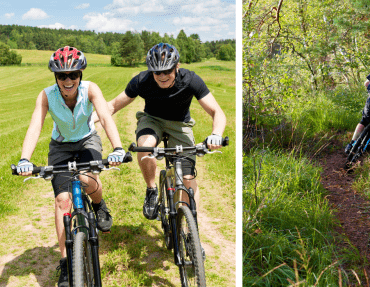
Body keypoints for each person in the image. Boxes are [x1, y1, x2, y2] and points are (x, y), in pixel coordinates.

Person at [15, 46, 127, 287]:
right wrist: (25, 158)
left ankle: (99, 206)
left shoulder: (91, 90)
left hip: (87, 139)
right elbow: (35, 125)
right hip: (60, 146)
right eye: (62, 76)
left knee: (87, 179)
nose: (68, 80)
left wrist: (117, 148)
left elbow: (105, 118)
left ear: (81, 74)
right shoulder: (46, 95)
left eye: (73, 75)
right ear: (55, 77)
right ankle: (66, 264)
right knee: (62, 201)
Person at [105, 43, 226, 220]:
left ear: (177, 66)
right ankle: (152, 189)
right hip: (152, 120)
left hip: (180, 125)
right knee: (145, 147)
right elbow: (112, 106)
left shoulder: (191, 80)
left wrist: (216, 134)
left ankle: (190, 229)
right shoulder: (142, 80)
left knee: (187, 177)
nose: (162, 76)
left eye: (167, 71)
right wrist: (87, 121)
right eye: (157, 72)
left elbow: (217, 112)